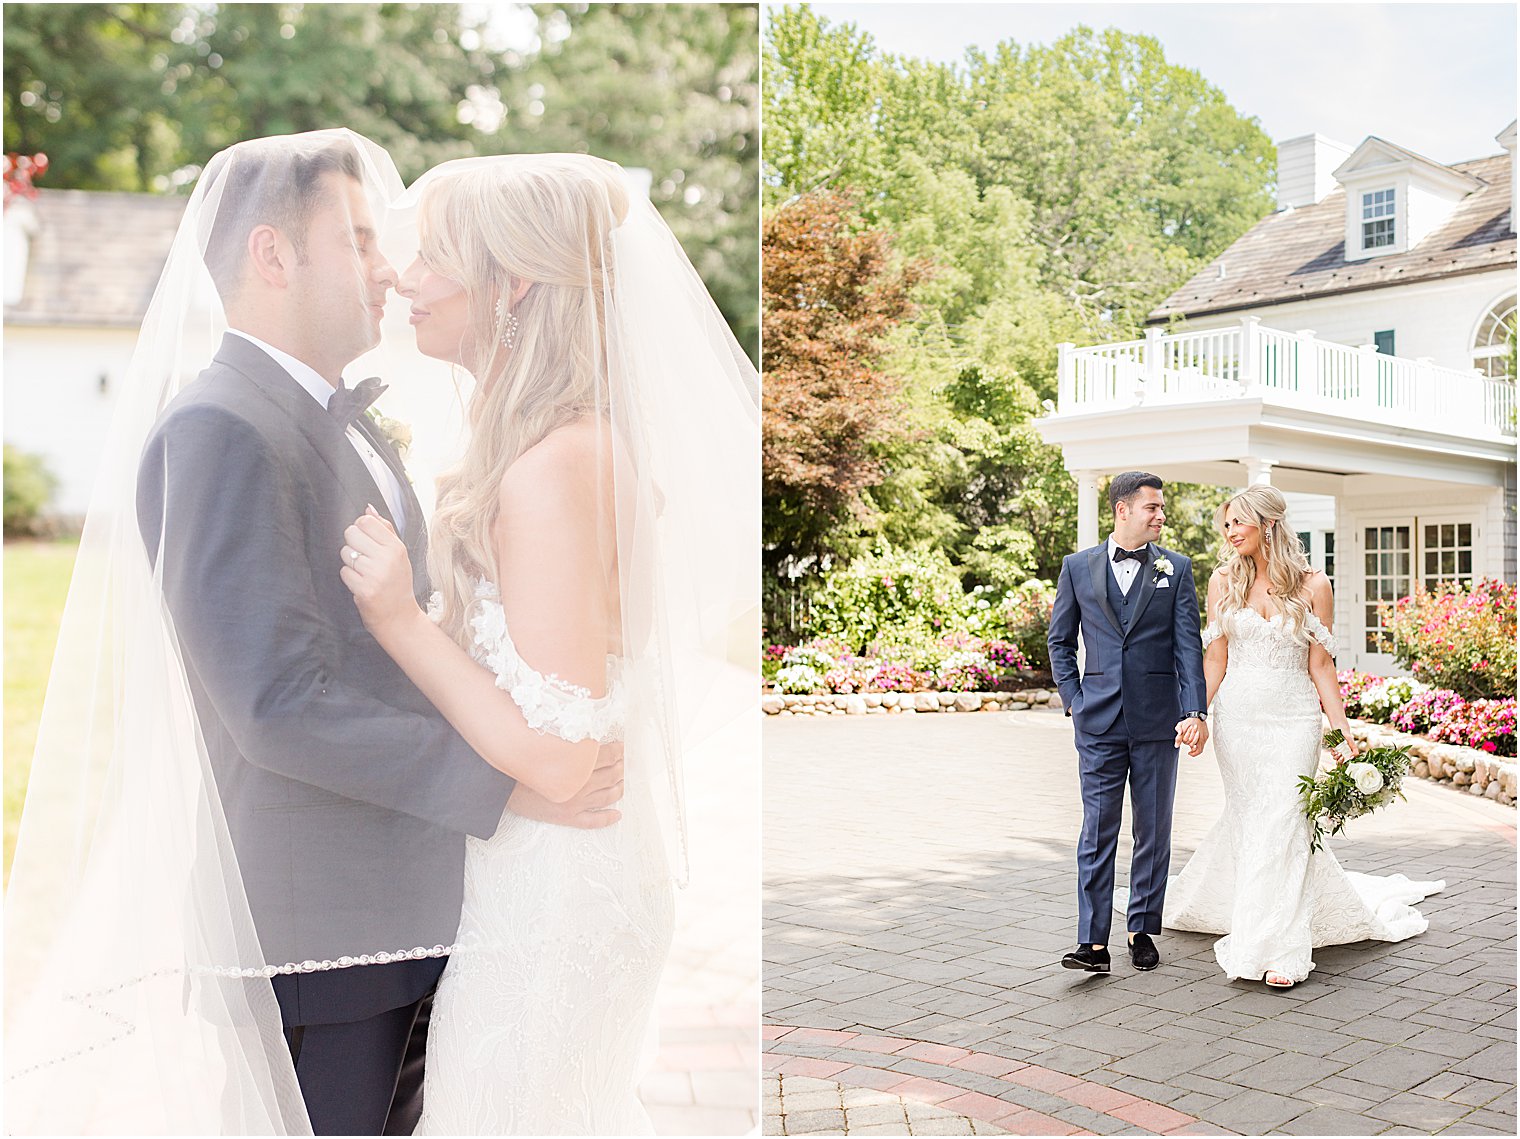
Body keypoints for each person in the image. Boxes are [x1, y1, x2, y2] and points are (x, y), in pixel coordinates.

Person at [5, 130, 622, 1136]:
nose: (388, 269)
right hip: (321, 934)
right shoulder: (220, 428)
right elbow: (274, 702)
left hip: (405, 911)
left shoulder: (341, 422)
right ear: (273, 256)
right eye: (360, 240)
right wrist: (510, 778)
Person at [336, 153, 758, 1133]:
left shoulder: (555, 462)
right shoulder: (554, 441)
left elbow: (563, 756)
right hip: (548, 876)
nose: (404, 277)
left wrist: (400, 618)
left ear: (511, 280)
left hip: (555, 896)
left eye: (433, 254)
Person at [1161, 485, 1443, 988]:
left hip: (1293, 719)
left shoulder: (1316, 584)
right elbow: (1216, 658)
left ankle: (1278, 950)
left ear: (1267, 524)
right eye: (1226, 525)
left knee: (1286, 819)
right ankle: (1260, 923)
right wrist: (1196, 713)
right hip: (1240, 720)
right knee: (1254, 820)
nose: (1229, 534)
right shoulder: (1223, 580)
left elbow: (1320, 665)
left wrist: (1342, 732)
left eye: (1237, 524)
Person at [1047, 471, 1208, 975]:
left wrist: (1194, 711)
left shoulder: (1175, 570)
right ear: (1122, 510)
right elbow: (1059, 641)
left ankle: (1142, 928)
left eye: (1161, 509)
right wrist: (1074, 699)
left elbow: (1188, 647)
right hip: (1097, 721)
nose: (1161, 516)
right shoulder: (1078, 567)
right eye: (1152, 508)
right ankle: (1092, 942)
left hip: (1159, 720)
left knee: (1153, 829)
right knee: (1098, 831)